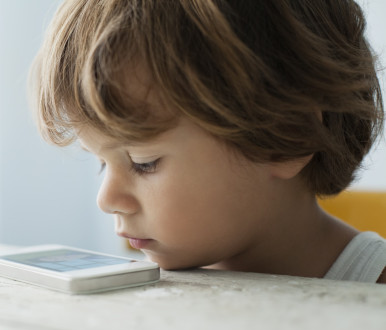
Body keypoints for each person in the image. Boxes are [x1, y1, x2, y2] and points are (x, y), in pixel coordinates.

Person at [29, 0, 386, 283]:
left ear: (284, 137)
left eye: (143, 162)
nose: (106, 200)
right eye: (101, 162)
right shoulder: (150, 290)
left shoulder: (371, 294)